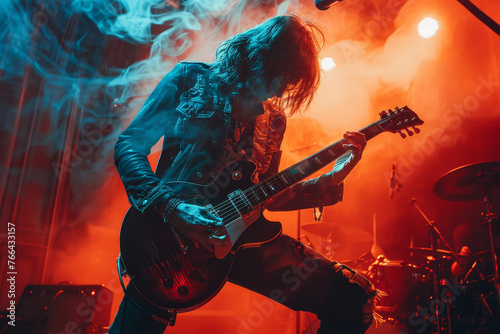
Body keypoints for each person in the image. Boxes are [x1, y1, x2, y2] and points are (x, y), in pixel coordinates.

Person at [109, 13, 381, 334]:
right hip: (164, 240)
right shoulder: (191, 80)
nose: (280, 92)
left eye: (289, 83)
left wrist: (331, 177)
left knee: (351, 296)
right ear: (258, 57)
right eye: (280, 77)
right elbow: (129, 145)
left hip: (242, 242)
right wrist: (172, 208)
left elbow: (269, 194)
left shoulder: (274, 120)